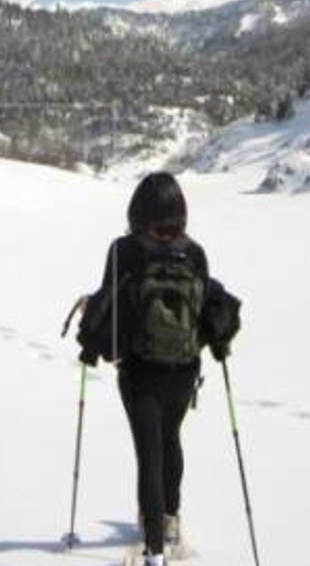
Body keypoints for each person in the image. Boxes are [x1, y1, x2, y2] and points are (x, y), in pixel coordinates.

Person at [78, 171, 216, 566]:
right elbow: (204, 308)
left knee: (149, 453)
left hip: (140, 369)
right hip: (185, 368)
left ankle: (153, 549)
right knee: (170, 439)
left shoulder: (124, 249)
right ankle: (170, 522)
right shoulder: (195, 252)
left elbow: (110, 301)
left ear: (137, 210)